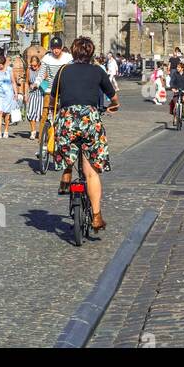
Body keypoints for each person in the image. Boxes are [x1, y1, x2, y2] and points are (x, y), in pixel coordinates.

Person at [54, 36, 118, 232]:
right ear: (90, 53)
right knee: (91, 172)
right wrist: (114, 105)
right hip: (89, 120)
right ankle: (97, 216)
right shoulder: (98, 71)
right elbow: (112, 95)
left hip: (67, 118)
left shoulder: (63, 70)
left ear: (73, 52)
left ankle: (66, 173)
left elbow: (54, 93)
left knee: (67, 144)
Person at [0, 51, 21, 139]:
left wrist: (16, 93)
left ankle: (6, 130)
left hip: (8, 93)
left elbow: (13, 82)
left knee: (7, 113)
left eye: (0, 65)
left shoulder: (9, 70)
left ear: (4, 64)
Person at [25, 54, 45, 140]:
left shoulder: (42, 70)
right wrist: (26, 94)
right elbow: (26, 82)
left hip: (41, 93)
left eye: (35, 65)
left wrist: (39, 84)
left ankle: (41, 132)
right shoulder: (29, 70)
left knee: (41, 113)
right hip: (32, 93)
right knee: (31, 112)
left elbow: (46, 81)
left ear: (39, 64)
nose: (33, 67)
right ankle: (33, 131)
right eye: (32, 65)